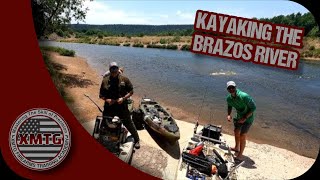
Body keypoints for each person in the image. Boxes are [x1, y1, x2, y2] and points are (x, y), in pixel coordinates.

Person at [99, 62, 140, 149]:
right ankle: (101, 137)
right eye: (112, 69)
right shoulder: (105, 80)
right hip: (109, 107)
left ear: (118, 69)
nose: (114, 71)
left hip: (122, 106)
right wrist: (107, 100)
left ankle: (137, 139)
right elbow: (101, 95)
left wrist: (123, 98)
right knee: (105, 123)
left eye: (115, 68)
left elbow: (131, 91)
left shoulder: (125, 79)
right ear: (109, 70)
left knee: (129, 123)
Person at [226, 81, 256, 160]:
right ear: (227, 89)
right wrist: (229, 114)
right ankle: (236, 147)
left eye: (233, 87)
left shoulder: (244, 96)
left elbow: (253, 108)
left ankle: (240, 154)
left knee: (242, 135)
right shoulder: (229, 98)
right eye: (229, 88)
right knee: (236, 131)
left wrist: (245, 118)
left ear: (236, 87)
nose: (231, 89)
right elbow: (229, 106)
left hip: (248, 118)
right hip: (238, 117)